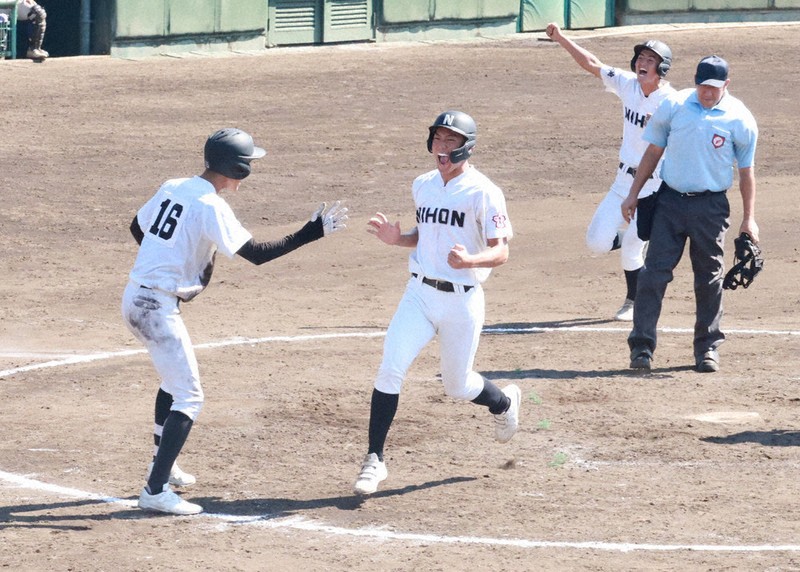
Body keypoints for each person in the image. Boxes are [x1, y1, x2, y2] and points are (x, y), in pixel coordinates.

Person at [122, 128, 348, 515]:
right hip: (156, 308)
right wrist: (311, 233)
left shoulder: (175, 185)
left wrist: (169, 260)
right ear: (237, 168)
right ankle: (155, 490)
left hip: (135, 297)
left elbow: (137, 227)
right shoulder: (211, 205)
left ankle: (164, 464)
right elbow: (256, 254)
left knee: (172, 383)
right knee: (189, 396)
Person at [353, 110, 521, 496]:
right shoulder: (423, 185)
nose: (442, 148)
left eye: (451, 141)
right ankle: (374, 459)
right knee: (389, 369)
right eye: (438, 140)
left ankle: (504, 403)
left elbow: (500, 253)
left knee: (457, 384)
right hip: (419, 295)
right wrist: (399, 239)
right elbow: (426, 236)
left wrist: (471, 261)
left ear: (467, 147)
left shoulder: (484, 192)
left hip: (462, 300)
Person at [621, 55, 759, 373]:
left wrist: (748, 217)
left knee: (709, 279)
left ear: (726, 84)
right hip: (669, 202)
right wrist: (633, 194)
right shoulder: (675, 105)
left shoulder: (740, 119)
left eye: (713, 87)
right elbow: (653, 151)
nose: (707, 93)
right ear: (695, 82)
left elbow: (747, 172)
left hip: (711, 208)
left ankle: (707, 349)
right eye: (702, 86)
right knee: (653, 275)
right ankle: (641, 347)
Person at [545, 23, 676, 321]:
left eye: (650, 60)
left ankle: (633, 299)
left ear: (662, 67)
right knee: (596, 243)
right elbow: (592, 63)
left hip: (654, 186)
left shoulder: (671, 101)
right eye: (641, 57)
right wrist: (561, 38)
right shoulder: (628, 84)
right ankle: (638, 238)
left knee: (632, 246)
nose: (643, 63)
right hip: (622, 181)